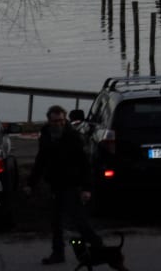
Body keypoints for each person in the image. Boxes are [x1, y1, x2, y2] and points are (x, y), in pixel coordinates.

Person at [25, 104, 103, 265]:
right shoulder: (46, 134)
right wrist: (31, 183)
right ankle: (58, 253)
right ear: (49, 120)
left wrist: (87, 188)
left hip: (71, 185)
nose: (58, 124)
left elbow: (84, 164)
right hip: (54, 184)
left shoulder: (73, 137)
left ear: (65, 119)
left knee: (78, 220)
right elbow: (41, 160)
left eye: (61, 120)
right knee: (56, 222)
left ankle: (98, 246)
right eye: (55, 121)